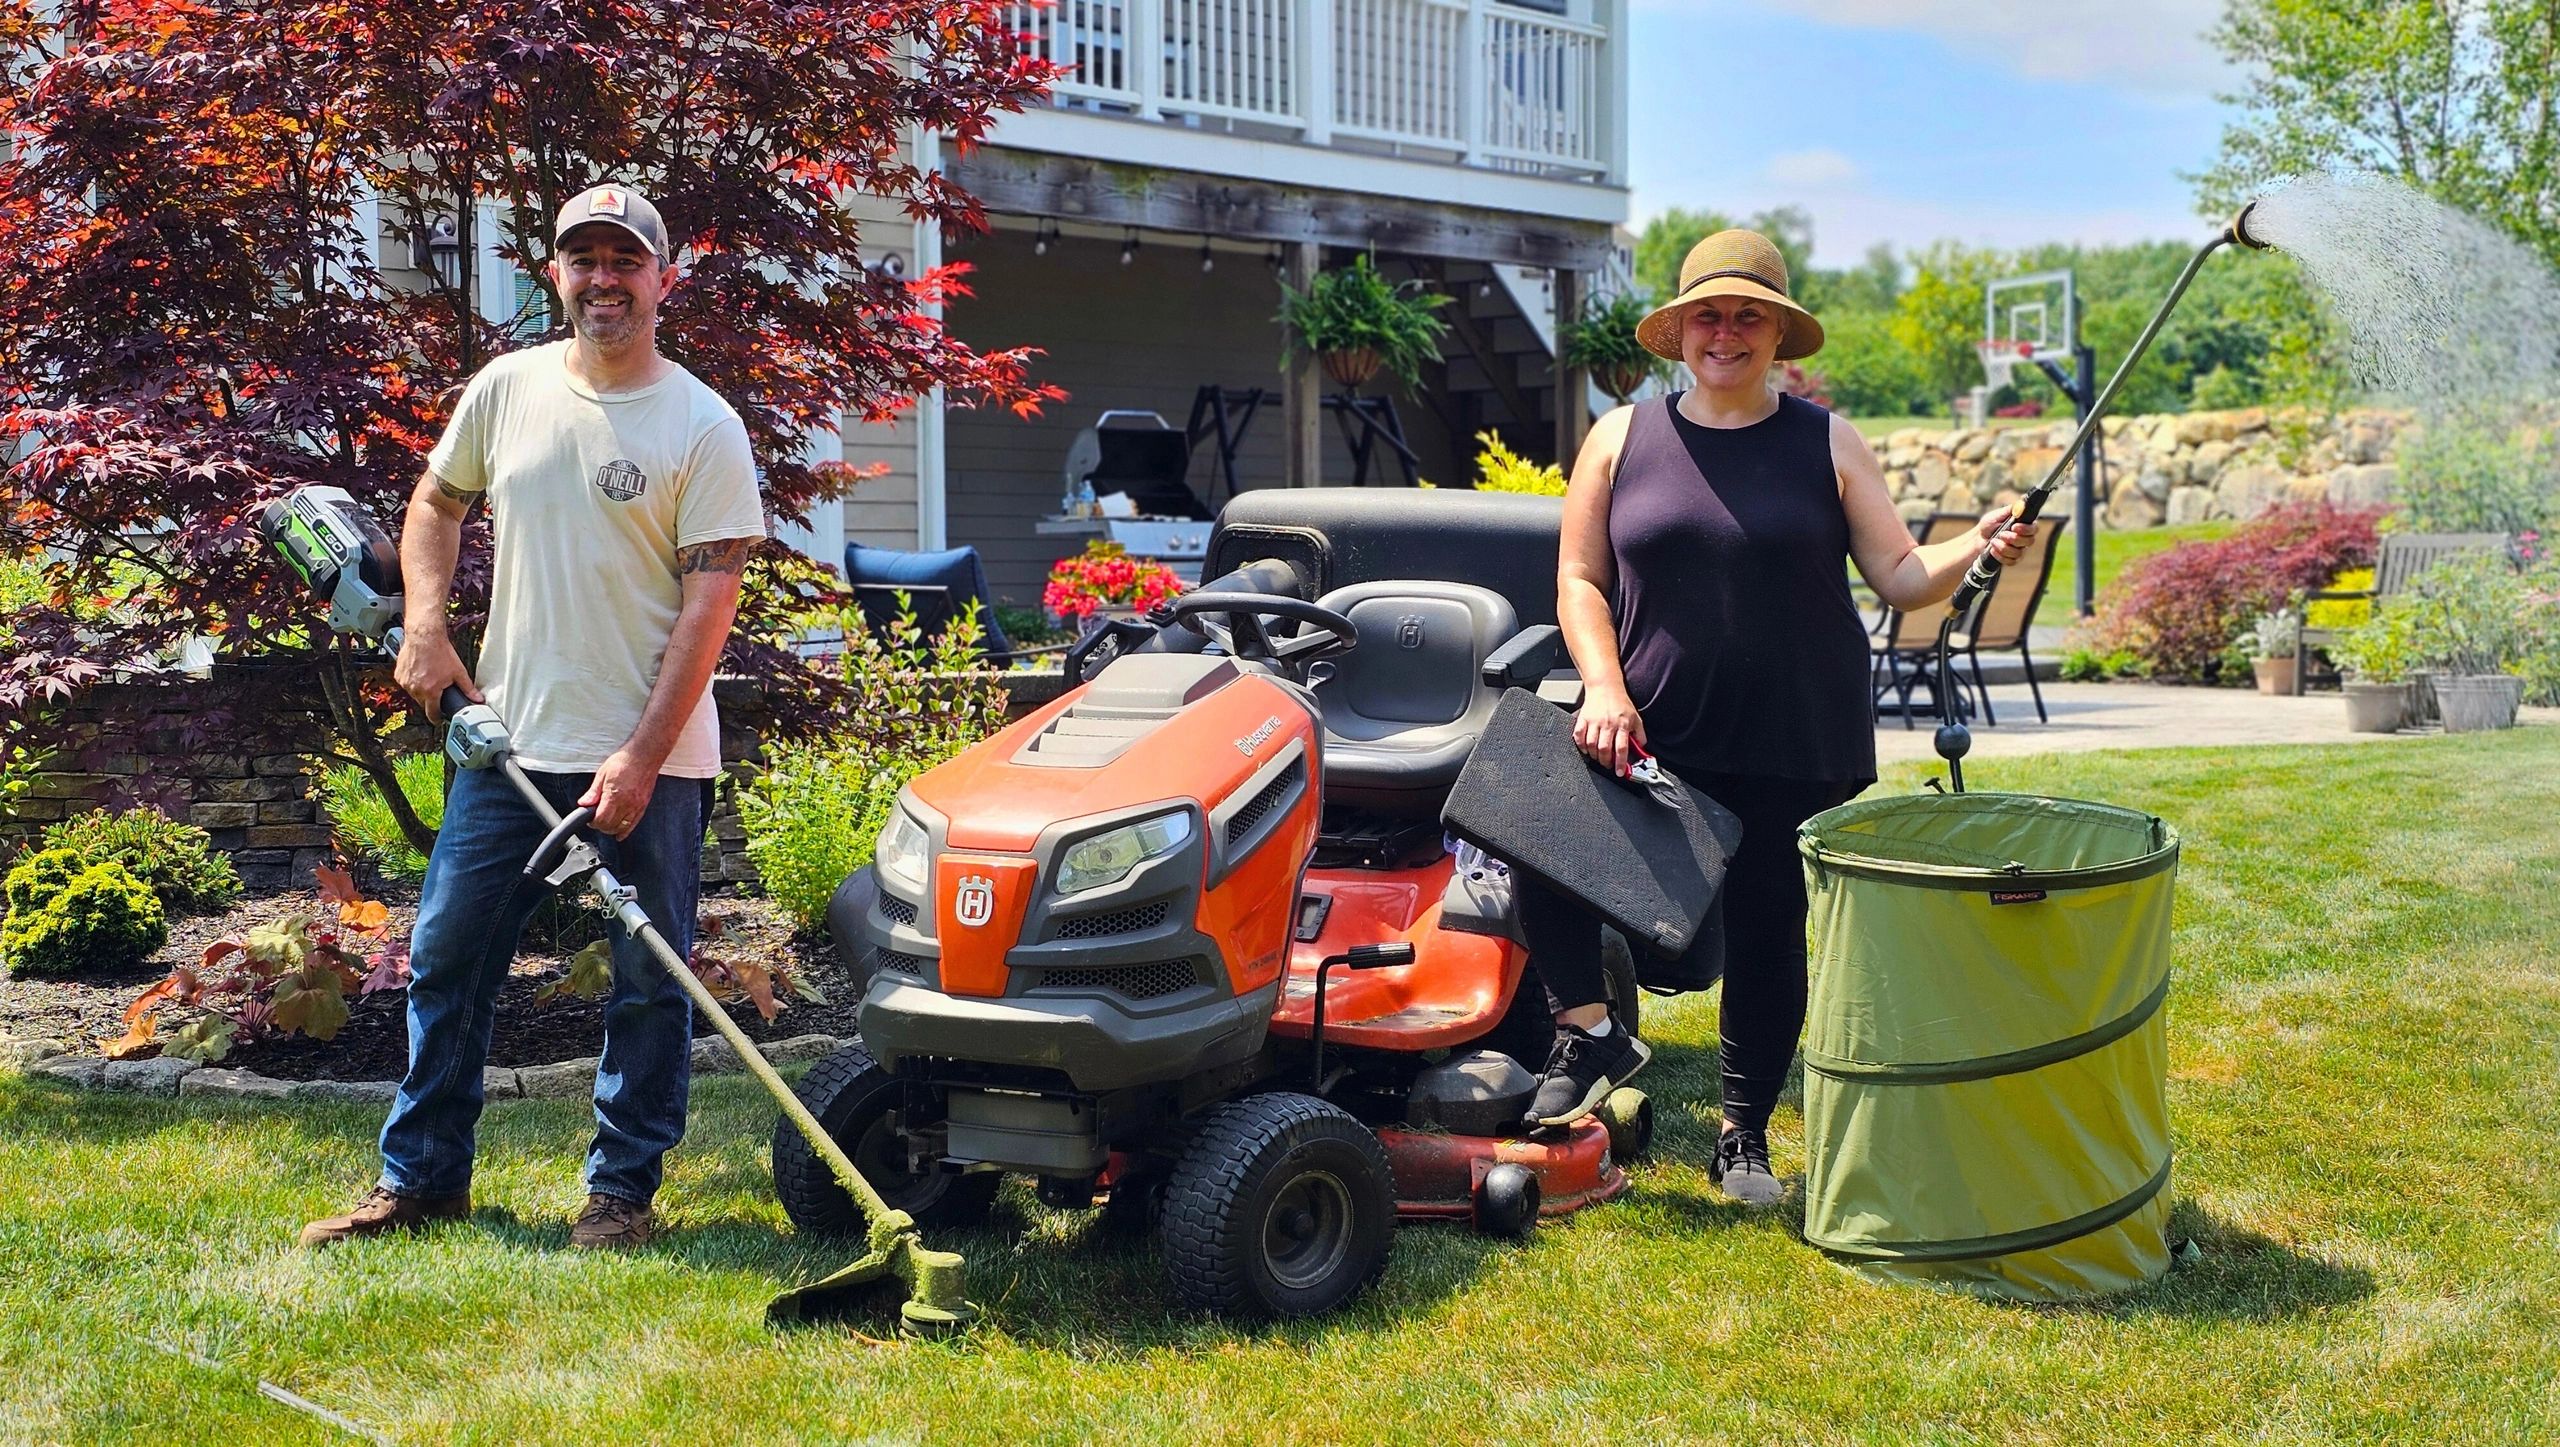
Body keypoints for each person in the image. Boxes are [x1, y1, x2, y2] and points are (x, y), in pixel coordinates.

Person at [1517, 229, 2030, 1207]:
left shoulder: (1825, 441)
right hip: (1653, 720)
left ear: (1777, 333)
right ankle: (1589, 1030)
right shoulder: (1620, 440)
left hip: (1795, 729)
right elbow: (1579, 578)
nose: (1725, 332)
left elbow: (1899, 575)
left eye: (1747, 314)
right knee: (1533, 828)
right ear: (1678, 333)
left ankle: (1741, 1137)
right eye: (1707, 313)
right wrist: (1602, 686)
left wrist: (1977, 539)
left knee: (1764, 926)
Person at [301, 184, 768, 1251]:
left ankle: (620, 1195)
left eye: (624, 260)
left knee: (649, 984)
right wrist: (425, 626)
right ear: (555, 272)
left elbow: (708, 607)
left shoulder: (702, 423)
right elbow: (434, 501)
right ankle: (422, 1180)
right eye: (582, 259)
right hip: (508, 738)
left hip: (649, 758)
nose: (603, 279)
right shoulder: (506, 389)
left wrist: (643, 757)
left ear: (662, 277)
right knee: (451, 957)